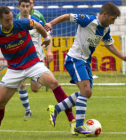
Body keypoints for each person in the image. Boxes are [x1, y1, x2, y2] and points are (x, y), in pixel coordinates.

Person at [46, 2, 126, 136]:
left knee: (87, 93)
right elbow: (67, 16)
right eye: (112, 19)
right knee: (85, 90)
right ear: (105, 14)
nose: (113, 22)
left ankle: (56, 109)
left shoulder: (105, 29)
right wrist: (51, 24)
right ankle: (79, 126)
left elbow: (109, 44)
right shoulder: (88, 20)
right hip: (74, 59)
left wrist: (123, 57)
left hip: (85, 62)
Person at [0, 5, 76, 135]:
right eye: (7, 20)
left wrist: (46, 38)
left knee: (54, 83)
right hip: (14, 69)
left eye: (11, 19)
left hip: (33, 63)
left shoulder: (21, 23)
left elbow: (38, 26)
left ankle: (73, 122)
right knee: (0, 103)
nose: (11, 22)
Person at [17, 0, 53, 118]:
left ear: (31, 6)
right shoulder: (16, 21)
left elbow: (48, 35)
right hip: (21, 58)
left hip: (36, 58)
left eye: (28, 5)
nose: (26, 8)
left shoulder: (37, 20)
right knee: (21, 85)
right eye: (23, 6)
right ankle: (28, 111)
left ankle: (41, 83)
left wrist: (48, 51)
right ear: (19, 7)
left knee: (35, 89)